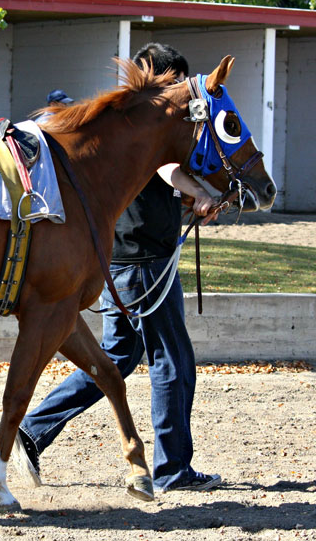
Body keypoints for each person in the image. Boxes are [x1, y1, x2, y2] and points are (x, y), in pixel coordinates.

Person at [16, 42, 224, 493]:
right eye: (175, 85)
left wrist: (196, 193)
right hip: (145, 259)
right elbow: (169, 169)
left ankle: (31, 429)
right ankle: (173, 470)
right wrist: (201, 193)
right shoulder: (144, 126)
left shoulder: (120, 123)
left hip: (120, 257)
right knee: (172, 359)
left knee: (115, 357)